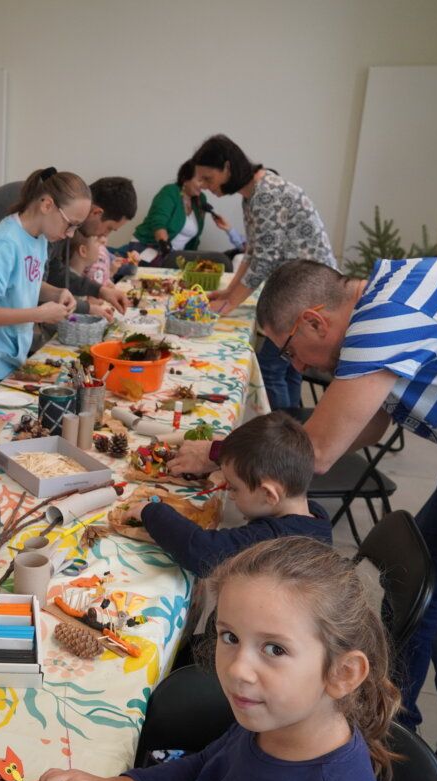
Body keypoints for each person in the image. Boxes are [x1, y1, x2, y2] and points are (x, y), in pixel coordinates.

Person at [170, 256, 437, 781]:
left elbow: (317, 452)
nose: (296, 367)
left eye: (290, 350)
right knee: (410, 585)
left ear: (315, 321)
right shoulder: (386, 296)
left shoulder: (384, 317)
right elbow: (371, 422)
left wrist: (221, 454)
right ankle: (398, 732)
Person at [38, 536, 399, 781]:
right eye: (230, 637)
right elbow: (207, 767)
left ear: (343, 674)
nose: (238, 669)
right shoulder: (271, 719)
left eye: (275, 649)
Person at [0, 176, 137, 373]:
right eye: (109, 228)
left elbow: (34, 276)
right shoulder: (20, 233)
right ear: (96, 213)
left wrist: (86, 292)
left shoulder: (50, 225)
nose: (104, 236)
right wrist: (41, 313)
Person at [191, 135, 336, 410]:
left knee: (270, 368)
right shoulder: (252, 195)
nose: (205, 186)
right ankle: (294, 424)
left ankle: (284, 431)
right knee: (290, 366)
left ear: (227, 167)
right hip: (305, 287)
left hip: (309, 291)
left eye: (208, 178)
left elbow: (265, 259)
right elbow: (253, 251)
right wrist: (228, 293)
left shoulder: (266, 193)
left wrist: (231, 303)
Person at [0, 167, 92, 408]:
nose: (70, 234)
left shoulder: (39, 238)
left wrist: (55, 292)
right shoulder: (4, 243)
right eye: (70, 224)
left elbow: (22, 282)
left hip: (7, 354)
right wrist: (39, 314)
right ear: (47, 205)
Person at [131, 412, 331, 576]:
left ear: (269, 494)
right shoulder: (314, 515)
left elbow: (200, 552)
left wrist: (150, 512)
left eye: (235, 487)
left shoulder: (275, 540)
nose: (229, 492)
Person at [128, 160, 241, 258]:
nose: (204, 185)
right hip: (149, 248)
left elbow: (195, 239)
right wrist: (167, 252)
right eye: (200, 180)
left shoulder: (201, 199)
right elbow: (158, 223)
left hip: (175, 255)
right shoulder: (170, 192)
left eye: (206, 181)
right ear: (185, 179)